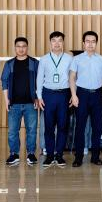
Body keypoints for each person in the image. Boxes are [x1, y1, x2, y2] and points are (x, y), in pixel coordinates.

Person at [69, 31, 102, 167]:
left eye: (93, 41)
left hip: (97, 95)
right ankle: (78, 157)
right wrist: (74, 95)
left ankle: (95, 157)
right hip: (82, 95)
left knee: (97, 128)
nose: (90, 44)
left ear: (96, 43)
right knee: (80, 127)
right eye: (88, 41)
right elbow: (72, 78)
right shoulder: (77, 59)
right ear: (83, 43)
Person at [1, 37, 40, 166]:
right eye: (18, 46)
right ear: (15, 48)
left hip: (31, 103)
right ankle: (14, 154)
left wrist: (37, 98)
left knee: (32, 130)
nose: (21, 49)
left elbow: (40, 81)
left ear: (27, 47)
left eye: (23, 46)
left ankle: (31, 153)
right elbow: (4, 81)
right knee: (12, 131)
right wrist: (6, 100)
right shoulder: (9, 64)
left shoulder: (34, 63)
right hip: (14, 104)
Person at [37, 31, 73, 168]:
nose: (57, 43)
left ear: (63, 42)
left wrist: (73, 94)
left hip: (64, 94)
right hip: (48, 94)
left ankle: (59, 156)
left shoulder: (69, 58)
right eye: (54, 40)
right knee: (49, 127)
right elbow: (39, 78)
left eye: (59, 40)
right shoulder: (44, 59)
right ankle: (50, 155)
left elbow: (73, 78)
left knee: (63, 126)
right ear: (50, 42)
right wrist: (39, 97)